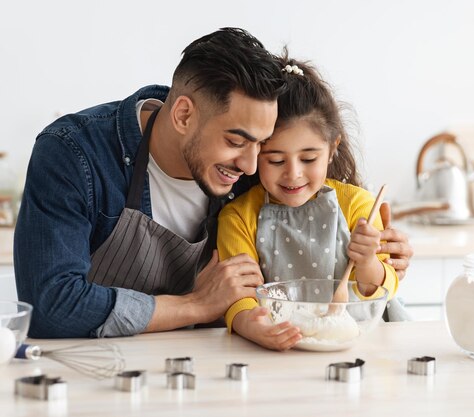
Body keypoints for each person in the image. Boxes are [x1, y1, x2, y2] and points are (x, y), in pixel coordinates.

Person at [14, 27, 413, 339]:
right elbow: (50, 306)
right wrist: (194, 306)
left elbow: (319, 250)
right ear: (184, 115)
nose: (252, 164)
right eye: (236, 141)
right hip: (98, 371)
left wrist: (376, 256)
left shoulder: (258, 177)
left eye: (261, 146)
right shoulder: (73, 154)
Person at [217, 54, 410, 351]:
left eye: (309, 158)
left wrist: (368, 259)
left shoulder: (358, 204)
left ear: (332, 149)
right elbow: (238, 295)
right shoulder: (238, 217)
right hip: (277, 348)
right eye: (276, 159)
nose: (293, 173)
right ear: (256, 152)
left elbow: (379, 288)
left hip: (360, 348)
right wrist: (248, 324)